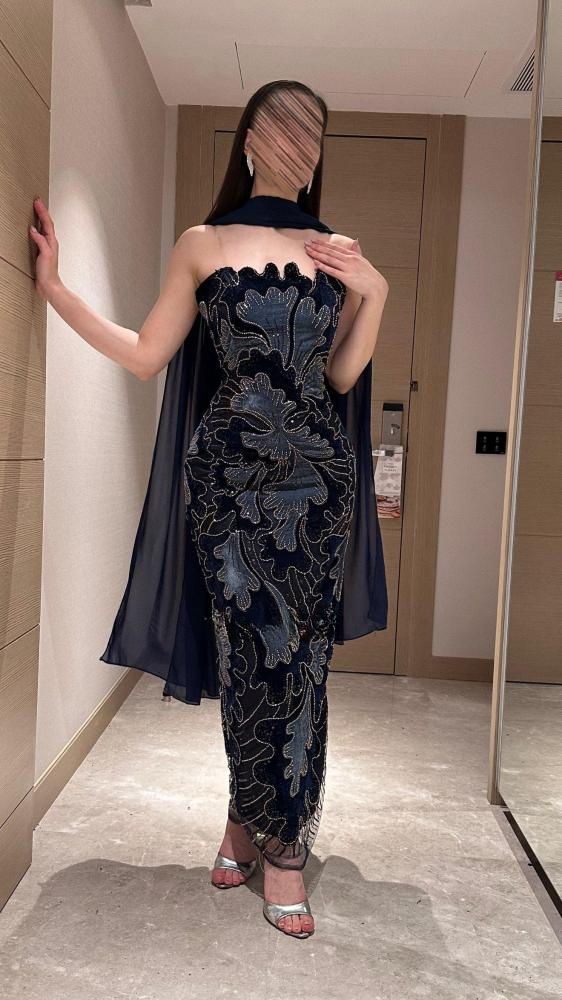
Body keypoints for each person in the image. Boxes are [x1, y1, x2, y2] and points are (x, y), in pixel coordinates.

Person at [29, 79, 389, 939]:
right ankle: (249, 817)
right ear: (250, 141)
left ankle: (279, 842)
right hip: (228, 484)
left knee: (300, 664)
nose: (297, 143)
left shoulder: (337, 252)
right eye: (281, 126)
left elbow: (340, 377)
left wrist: (375, 291)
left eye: (312, 131)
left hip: (316, 488)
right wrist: (57, 290)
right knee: (243, 657)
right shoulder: (204, 242)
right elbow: (147, 354)